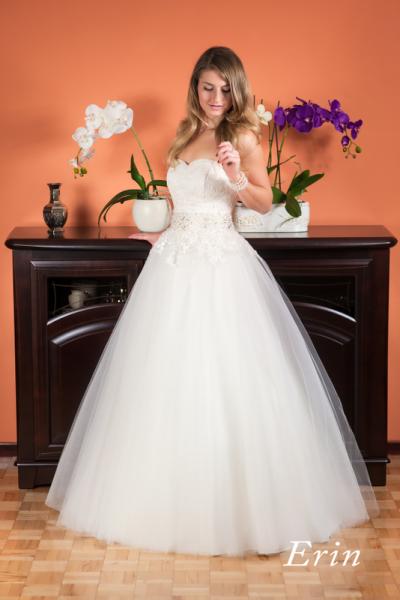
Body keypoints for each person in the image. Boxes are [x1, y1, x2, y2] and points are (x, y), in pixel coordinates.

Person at [45, 46, 379, 557]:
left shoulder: (241, 136)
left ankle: (240, 508)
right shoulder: (183, 135)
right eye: (207, 87)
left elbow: (265, 202)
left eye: (225, 89)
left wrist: (237, 175)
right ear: (195, 87)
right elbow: (183, 204)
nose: (216, 97)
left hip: (222, 265)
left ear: (236, 90)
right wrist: (159, 235)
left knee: (226, 376)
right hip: (174, 263)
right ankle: (158, 499)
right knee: (163, 378)